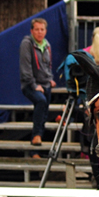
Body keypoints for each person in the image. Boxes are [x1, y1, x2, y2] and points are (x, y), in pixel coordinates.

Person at [19, 17, 56, 146]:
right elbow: (26, 68)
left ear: (45, 31)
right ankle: (36, 135)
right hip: (30, 84)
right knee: (41, 101)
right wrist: (34, 85)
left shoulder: (47, 45)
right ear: (32, 31)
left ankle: (36, 146)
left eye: (42, 29)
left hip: (45, 83)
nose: (40, 32)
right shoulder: (27, 43)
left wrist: (50, 79)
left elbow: (48, 65)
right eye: (37, 29)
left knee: (45, 111)